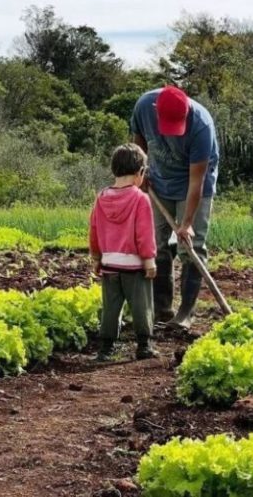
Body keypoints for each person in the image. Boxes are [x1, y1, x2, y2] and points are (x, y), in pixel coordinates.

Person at [130, 85, 219, 329]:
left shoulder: (201, 126)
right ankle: (162, 308)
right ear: (156, 111)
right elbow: (138, 142)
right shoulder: (144, 106)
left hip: (192, 183)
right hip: (158, 180)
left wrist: (187, 223)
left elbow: (196, 180)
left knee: (192, 246)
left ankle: (186, 313)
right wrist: (141, 169)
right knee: (154, 242)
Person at [89, 143, 158, 361]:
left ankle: (106, 349)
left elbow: (94, 229)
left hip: (110, 263)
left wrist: (97, 257)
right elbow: (144, 234)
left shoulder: (101, 197)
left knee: (111, 307)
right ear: (140, 173)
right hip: (134, 265)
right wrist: (149, 260)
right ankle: (144, 346)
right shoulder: (140, 199)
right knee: (141, 305)